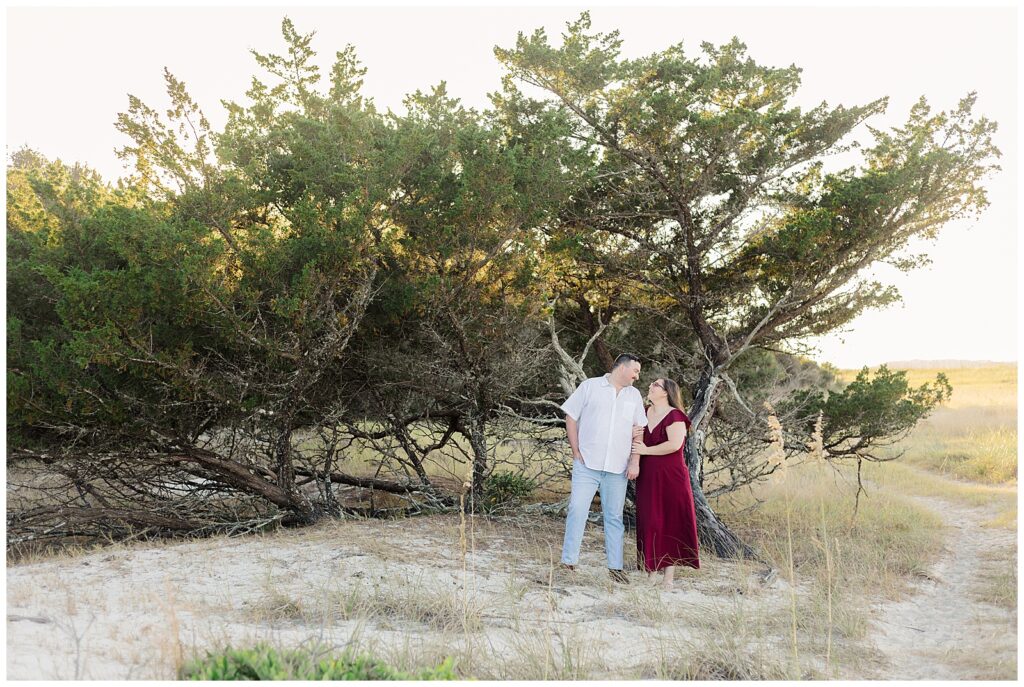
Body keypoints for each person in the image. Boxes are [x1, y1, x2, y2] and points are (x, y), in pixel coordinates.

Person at [559, 353, 648, 583]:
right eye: (635, 371)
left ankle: (615, 568)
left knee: (614, 517)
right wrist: (575, 449)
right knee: (577, 510)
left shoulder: (634, 396)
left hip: (617, 468)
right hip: (587, 464)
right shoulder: (590, 386)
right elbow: (570, 416)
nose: (637, 376)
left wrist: (634, 461)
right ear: (622, 368)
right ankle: (568, 563)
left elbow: (639, 430)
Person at [632, 377, 700, 589]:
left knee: (671, 522)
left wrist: (646, 450)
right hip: (648, 476)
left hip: (672, 476)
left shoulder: (675, 415)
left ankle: (668, 578)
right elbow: (635, 437)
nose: (650, 386)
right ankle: (651, 573)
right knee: (650, 520)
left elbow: (674, 444)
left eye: (655, 385)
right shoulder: (643, 412)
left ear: (665, 392)